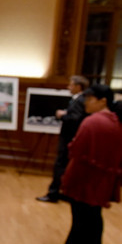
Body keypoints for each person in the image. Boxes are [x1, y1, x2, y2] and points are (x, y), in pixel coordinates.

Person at [55, 84, 122, 244]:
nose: (86, 102)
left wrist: (66, 178)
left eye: (90, 99)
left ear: (102, 101)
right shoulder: (115, 122)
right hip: (102, 181)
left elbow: (76, 151)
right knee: (93, 217)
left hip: (84, 180)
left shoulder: (93, 122)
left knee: (80, 222)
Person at [36, 75, 90, 203]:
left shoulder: (79, 100)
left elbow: (76, 119)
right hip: (70, 138)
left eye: (71, 85)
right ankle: (64, 192)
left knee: (60, 165)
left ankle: (53, 193)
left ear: (78, 87)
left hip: (68, 139)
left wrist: (62, 115)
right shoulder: (80, 100)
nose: (68, 87)